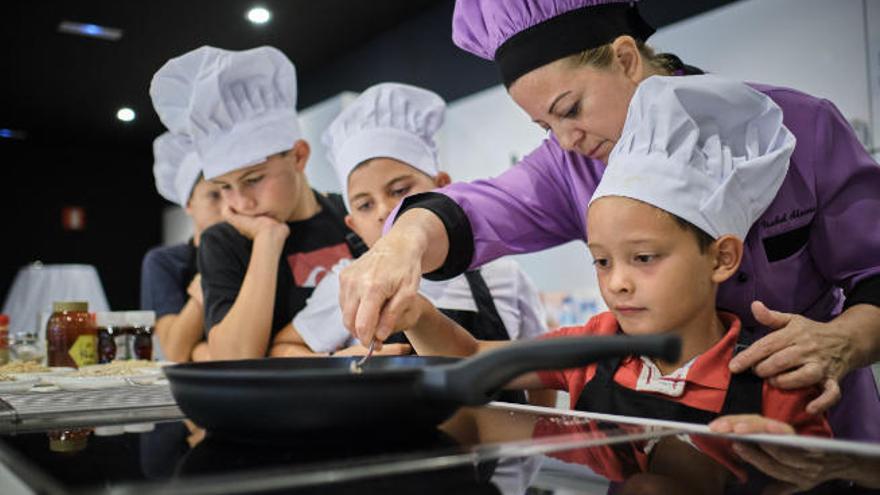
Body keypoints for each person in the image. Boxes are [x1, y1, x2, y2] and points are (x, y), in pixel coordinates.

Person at [338, 0, 880, 440]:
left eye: (570, 109)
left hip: (817, 427)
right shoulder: (571, 164)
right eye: (544, 126)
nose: (566, 139)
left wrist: (844, 341)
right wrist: (402, 242)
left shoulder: (800, 128)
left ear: (625, 59)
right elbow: (476, 210)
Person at [380, 74, 832, 438]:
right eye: (602, 261)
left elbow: (820, 472)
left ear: (721, 258)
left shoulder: (773, 380)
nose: (617, 283)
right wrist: (415, 313)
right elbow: (475, 356)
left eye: (644, 258)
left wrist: (780, 459)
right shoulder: (594, 349)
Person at [270, 83, 548, 362]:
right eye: (365, 205)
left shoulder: (504, 276)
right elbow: (282, 349)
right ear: (353, 225)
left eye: (400, 191)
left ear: (443, 190)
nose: (384, 212)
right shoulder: (350, 284)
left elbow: (541, 366)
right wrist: (338, 360)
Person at [150, 46, 363, 360]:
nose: (241, 202)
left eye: (253, 179)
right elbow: (235, 359)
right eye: (224, 187)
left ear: (299, 156)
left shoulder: (350, 217)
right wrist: (267, 241)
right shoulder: (221, 241)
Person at [140, 132, 221, 363]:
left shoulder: (259, 251)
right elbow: (173, 351)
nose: (227, 206)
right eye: (214, 195)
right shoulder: (165, 261)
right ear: (188, 203)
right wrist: (214, 272)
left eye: (230, 191)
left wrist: (200, 352)